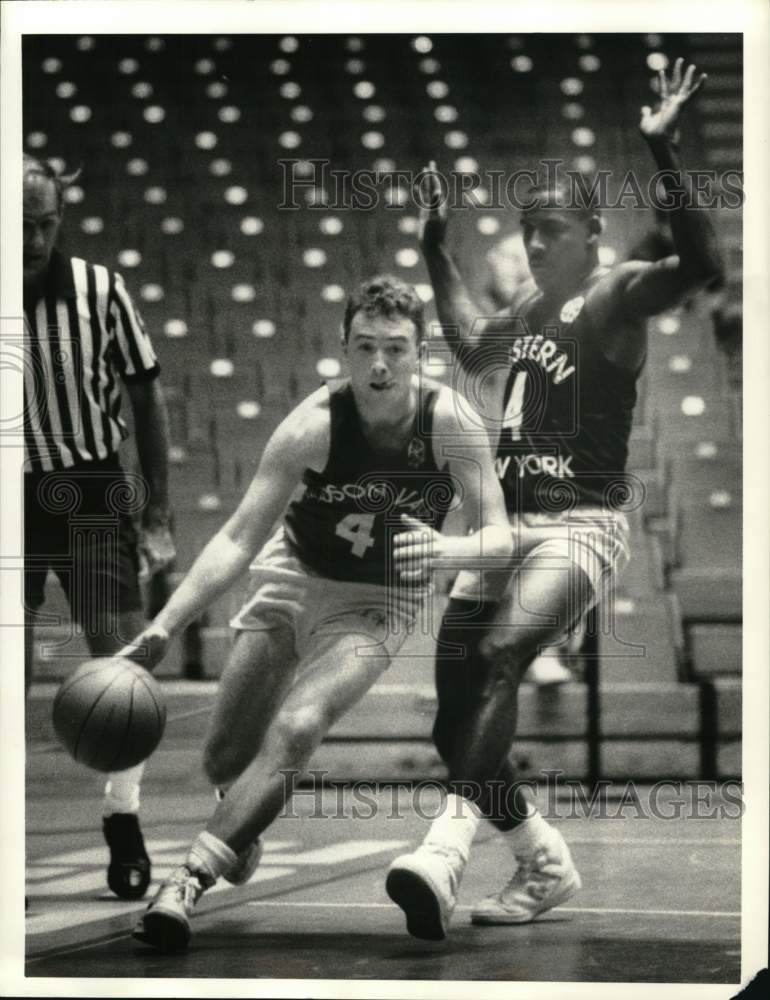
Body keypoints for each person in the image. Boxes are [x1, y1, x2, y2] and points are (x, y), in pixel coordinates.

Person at [386, 58, 723, 940]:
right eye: (527, 230)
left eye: (552, 230)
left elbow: (704, 259)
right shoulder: (532, 311)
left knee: (502, 657)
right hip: (505, 528)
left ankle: (446, 850)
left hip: (580, 525)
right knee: (454, 722)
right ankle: (543, 860)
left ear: (592, 237)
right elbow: (464, 343)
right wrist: (432, 241)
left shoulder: (617, 296)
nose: (535, 244)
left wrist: (662, 148)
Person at [123, 275, 513, 953]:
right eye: (365, 347)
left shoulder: (447, 421)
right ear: (343, 347)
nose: (381, 365)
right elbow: (240, 535)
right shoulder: (313, 422)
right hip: (294, 575)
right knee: (222, 761)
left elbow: (501, 534)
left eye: (396, 348)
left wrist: (450, 549)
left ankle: (187, 881)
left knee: (301, 724)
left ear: (421, 352)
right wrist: (167, 623)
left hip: (378, 601)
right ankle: (238, 821)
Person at [23, 154, 175, 901]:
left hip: (87, 488)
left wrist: (157, 511)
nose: (34, 238)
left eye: (46, 222)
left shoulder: (99, 289)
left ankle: (123, 817)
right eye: (19, 225)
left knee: (121, 665)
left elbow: (147, 398)